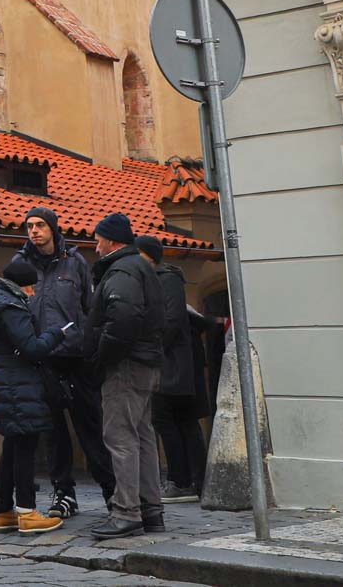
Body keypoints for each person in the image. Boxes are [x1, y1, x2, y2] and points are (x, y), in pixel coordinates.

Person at [18, 206, 113, 520]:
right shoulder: (21, 264)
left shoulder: (74, 263)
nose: (34, 231)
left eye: (40, 225)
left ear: (53, 229)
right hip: (42, 358)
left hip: (75, 356)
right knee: (53, 431)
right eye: (30, 226)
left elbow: (90, 308)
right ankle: (63, 493)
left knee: (90, 426)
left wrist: (90, 346)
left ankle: (111, 491)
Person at [0, 255, 75, 534]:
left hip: (2, 381)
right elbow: (32, 348)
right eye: (30, 287)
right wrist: (56, 334)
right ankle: (27, 512)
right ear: (19, 286)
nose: (32, 292)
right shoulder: (12, 307)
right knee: (26, 448)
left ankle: (3, 510)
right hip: (21, 384)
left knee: (11, 447)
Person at [86, 212, 164, 540]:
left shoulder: (122, 270)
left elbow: (122, 319)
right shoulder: (140, 267)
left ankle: (126, 512)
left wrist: (102, 356)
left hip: (125, 365)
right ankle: (150, 510)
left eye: (98, 238)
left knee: (120, 437)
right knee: (141, 436)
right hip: (144, 363)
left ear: (112, 240)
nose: (95, 244)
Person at [136, 235, 208, 503]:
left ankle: (182, 480)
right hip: (173, 364)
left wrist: (151, 348)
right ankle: (195, 481)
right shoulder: (164, 278)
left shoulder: (166, 278)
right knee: (183, 422)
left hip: (172, 366)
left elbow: (170, 320)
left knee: (169, 419)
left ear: (150, 257)